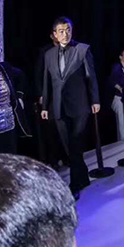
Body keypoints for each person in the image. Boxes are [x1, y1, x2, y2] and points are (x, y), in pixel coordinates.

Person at [40, 17, 100, 199]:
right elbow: (47, 82)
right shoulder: (49, 55)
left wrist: (95, 100)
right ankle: (83, 177)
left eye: (68, 30)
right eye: (61, 31)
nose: (65, 34)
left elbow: (91, 77)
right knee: (68, 147)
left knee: (75, 144)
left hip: (80, 105)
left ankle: (74, 185)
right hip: (58, 107)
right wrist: (45, 106)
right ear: (55, 34)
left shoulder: (82, 50)